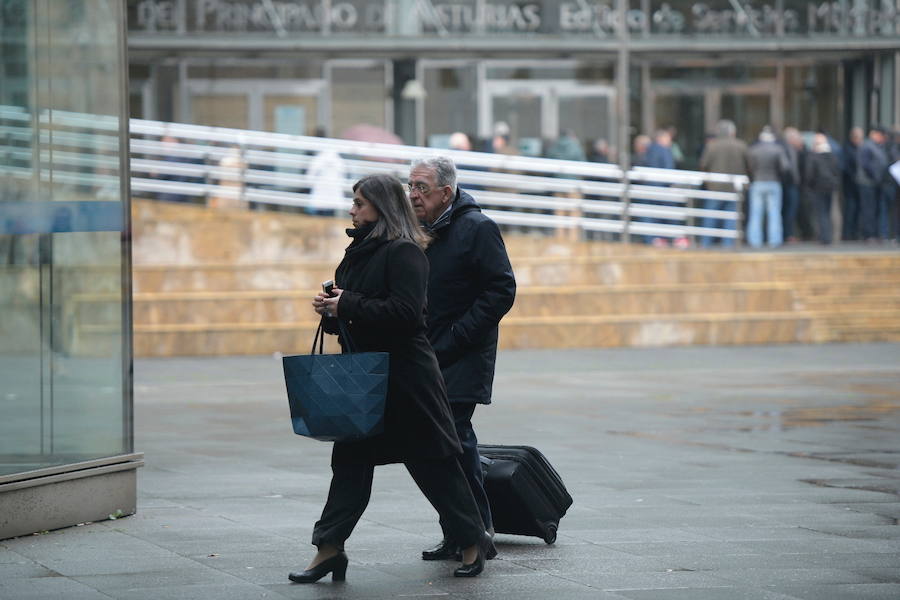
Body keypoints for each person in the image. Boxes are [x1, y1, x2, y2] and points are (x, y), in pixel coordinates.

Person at [294, 174, 493, 584]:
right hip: (364, 379)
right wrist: (331, 311)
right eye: (354, 202)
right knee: (349, 465)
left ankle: (473, 540)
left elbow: (406, 314)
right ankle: (328, 549)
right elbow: (354, 317)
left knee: (435, 464)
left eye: (360, 203)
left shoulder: (406, 252)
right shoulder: (356, 252)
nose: (353, 209)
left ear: (382, 208)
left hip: (407, 380)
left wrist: (347, 302)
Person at [406, 157, 516, 563]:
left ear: (446, 193)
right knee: (438, 445)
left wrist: (457, 337)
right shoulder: (419, 229)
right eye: (411, 186)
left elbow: (501, 290)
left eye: (421, 188)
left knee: (453, 438)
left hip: (463, 353)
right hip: (427, 352)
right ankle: (459, 532)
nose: (413, 195)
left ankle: (477, 532)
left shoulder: (477, 228)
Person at [698, 119, 748, 248]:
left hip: (715, 187)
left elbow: (703, 164)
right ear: (732, 132)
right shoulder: (741, 145)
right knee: (731, 216)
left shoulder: (712, 145)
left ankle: (705, 243)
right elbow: (749, 165)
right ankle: (728, 245)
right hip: (733, 187)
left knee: (711, 216)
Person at [746, 126, 789, 248]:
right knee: (774, 213)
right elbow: (785, 167)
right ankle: (774, 241)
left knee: (755, 213)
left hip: (758, 182)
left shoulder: (754, 149)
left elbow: (749, 167)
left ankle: (755, 241)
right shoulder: (778, 149)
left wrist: (754, 175)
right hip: (773, 182)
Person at [804, 133, 841, 245]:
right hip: (830, 187)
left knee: (821, 213)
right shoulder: (833, 156)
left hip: (818, 187)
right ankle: (829, 236)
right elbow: (837, 171)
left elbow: (809, 173)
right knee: (828, 212)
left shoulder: (813, 156)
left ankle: (824, 237)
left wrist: (808, 186)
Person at [858, 126, 890, 242]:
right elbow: (865, 165)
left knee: (876, 209)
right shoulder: (867, 146)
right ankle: (868, 234)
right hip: (868, 183)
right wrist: (876, 176)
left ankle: (876, 233)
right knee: (869, 209)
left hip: (877, 183)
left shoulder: (879, 147)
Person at [842, 127, 864, 240]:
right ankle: (848, 233)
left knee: (857, 210)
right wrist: (854, 177)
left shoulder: (860, 149)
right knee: (850, 209)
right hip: (850, 184)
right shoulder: (847, 149)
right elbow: (846, 168)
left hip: (859, 184)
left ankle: (855, 233)